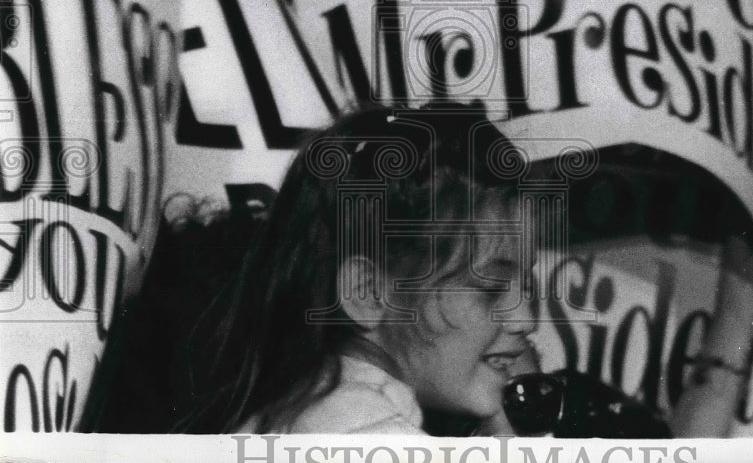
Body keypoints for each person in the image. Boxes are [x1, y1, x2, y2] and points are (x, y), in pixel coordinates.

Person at [180, 103, 537, 434]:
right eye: (491, 288)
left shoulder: (323, 410)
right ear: (367, 293)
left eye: (528, 288)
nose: (526, 320)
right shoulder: (367, 432)